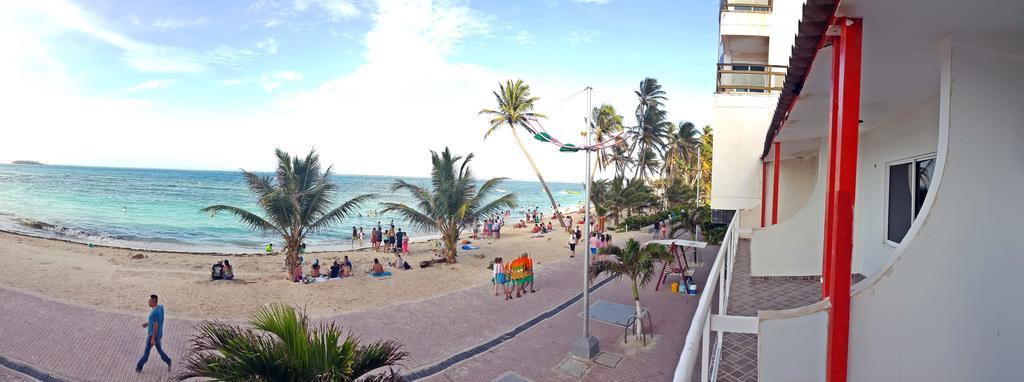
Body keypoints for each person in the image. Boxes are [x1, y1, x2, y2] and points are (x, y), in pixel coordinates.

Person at [135, 294, 172, 373]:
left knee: (146, 353)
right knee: (159, 350)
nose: (148, 302)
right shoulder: (160, 307)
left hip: (153, 336)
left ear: (153, 302)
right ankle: (168, 361)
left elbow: (155, 326)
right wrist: (148, 323)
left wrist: (152, 338)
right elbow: (156, 321)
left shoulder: (153, 313)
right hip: (159, 334)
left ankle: (139, 367)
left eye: (149, 300)